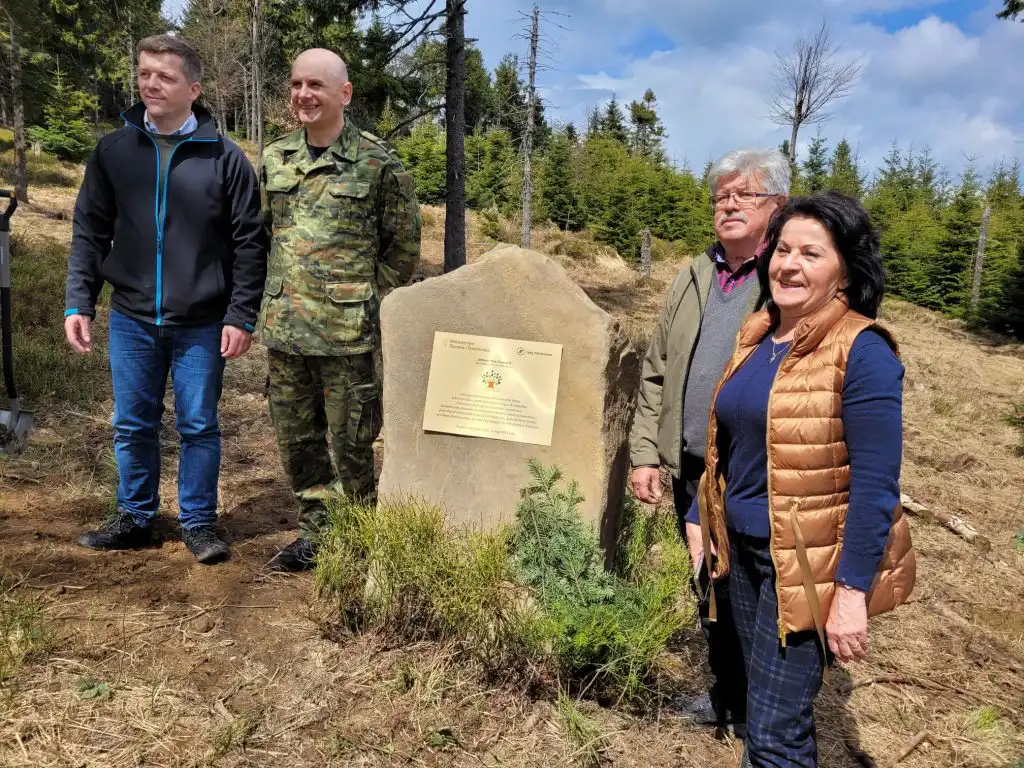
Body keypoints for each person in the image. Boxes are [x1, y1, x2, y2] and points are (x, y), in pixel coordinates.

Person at [691, 191, 916, 767]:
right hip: (741, 552)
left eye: (811, 253)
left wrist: (851, 594)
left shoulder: (862, 350)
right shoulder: (760, 334)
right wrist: (701, 515)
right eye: (783, 249)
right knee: (763, 711)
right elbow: (731, 443)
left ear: (845, 269)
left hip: (808, 566)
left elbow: (874, 486)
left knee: (775, 732)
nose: (789, 264)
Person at [66, 35, 266, 564]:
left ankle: (199, 522)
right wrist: (78, 301)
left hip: (202, 322)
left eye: (165, 76)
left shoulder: (226, 159)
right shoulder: (114, 150)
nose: (150, 83)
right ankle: (135, 516)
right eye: (144, 72)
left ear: (193, 89)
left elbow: (250, 243)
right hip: (132, 316)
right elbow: (90, 230)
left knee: (198, 424)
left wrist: (241, 314)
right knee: (133, 422)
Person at [629, 148, 791, 736]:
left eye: (741, 196)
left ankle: (769, 710)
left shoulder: (786, 276)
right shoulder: (694, 273)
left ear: (775, 207)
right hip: (692, 461)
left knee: (756, 589)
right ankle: (728, 696)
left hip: (754, 468)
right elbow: (656, 368)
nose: (727, 205)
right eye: (720, 197)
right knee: (708, 582)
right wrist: (648, 451)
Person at [258, 48, 421, 572]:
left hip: (347, 336)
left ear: (343, 94)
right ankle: (317, 531)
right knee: (297, 440)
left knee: (352, 443)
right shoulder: (276, 158)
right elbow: (263, 235)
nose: (304, 95)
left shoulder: (379, 163)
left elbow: (402, 250)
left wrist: (364, 299)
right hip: (285, 330)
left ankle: (361, 535)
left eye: (316, 86)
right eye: (297, 84)